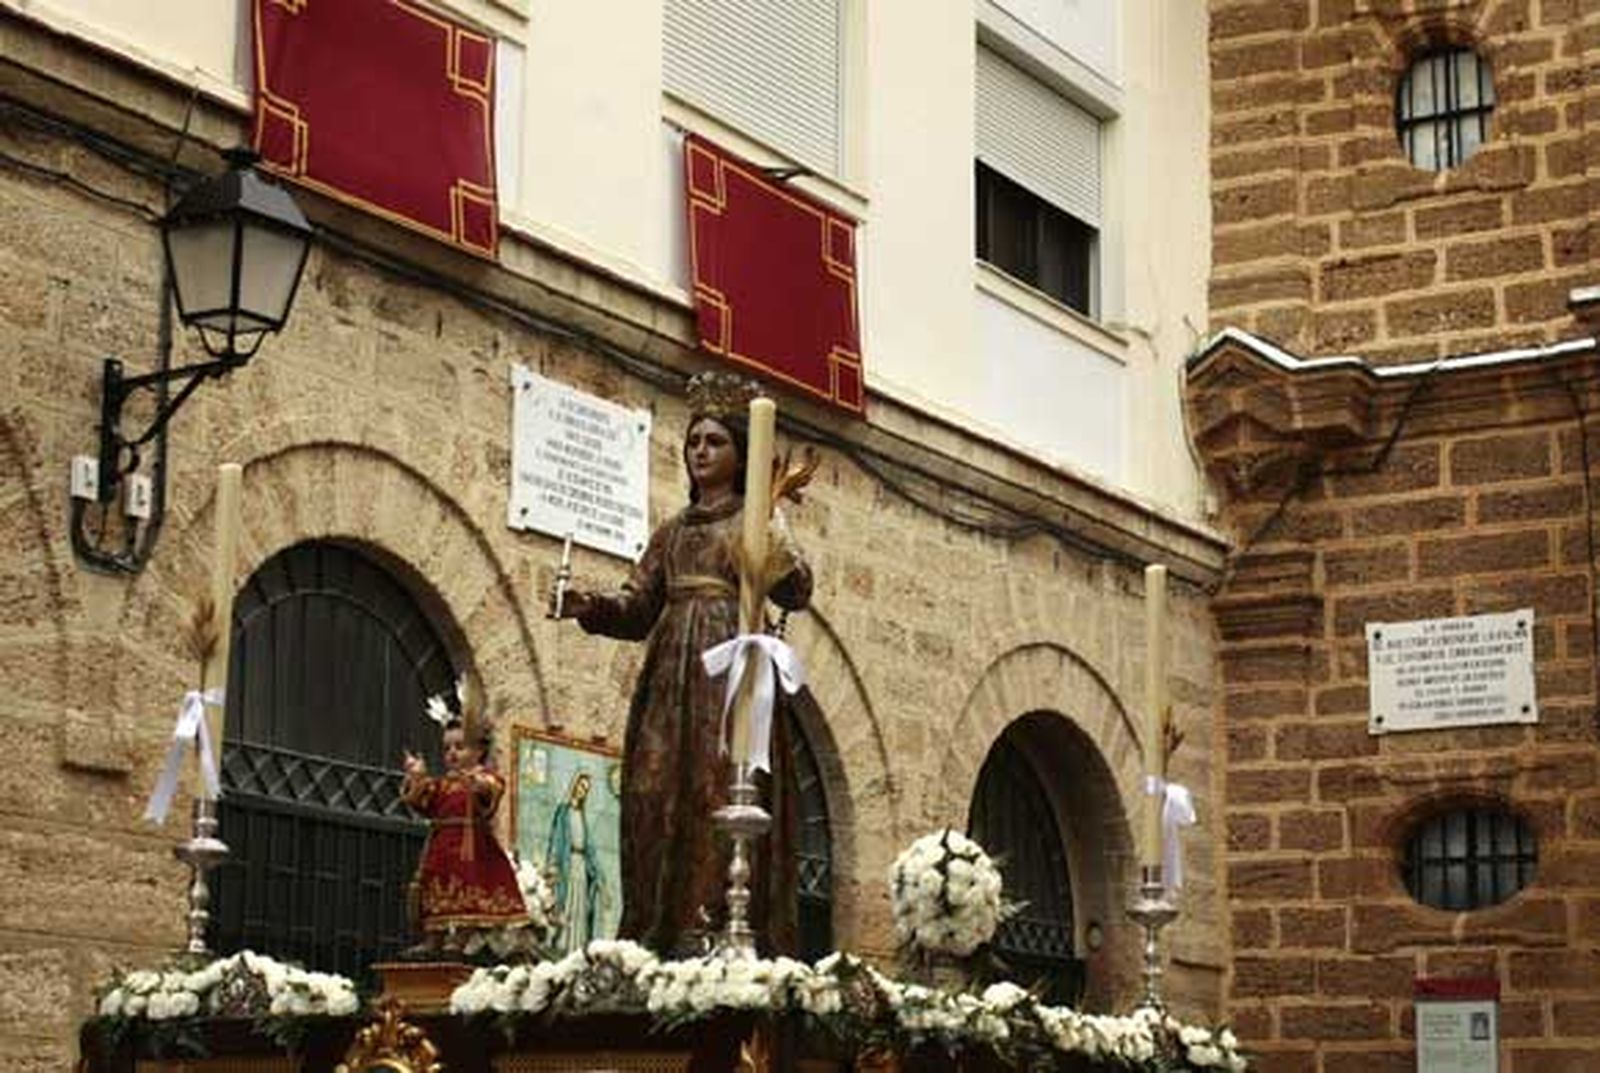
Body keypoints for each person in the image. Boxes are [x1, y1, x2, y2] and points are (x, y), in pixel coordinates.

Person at [554, 371, 810, 956]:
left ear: (741, 453)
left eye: (715, 441)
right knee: (654, 789)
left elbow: (797, 591)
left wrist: (774, 537)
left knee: (721, 789)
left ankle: (720, 925)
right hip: (671, 676)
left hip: (733, 674)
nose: (700, 451)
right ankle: (657, 924)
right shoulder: (672, 532)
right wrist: (588, 605)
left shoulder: (755, 517)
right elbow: (638, 604)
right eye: (694, 441)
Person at [401, 713, 535, 958]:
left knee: (468, 892)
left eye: (460, 747)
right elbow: (421, 801)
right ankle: (433, 940)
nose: (452, 753)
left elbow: (490, 790)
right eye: (447, 748)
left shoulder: (485, 778)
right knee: (434, 893)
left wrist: (479, 783)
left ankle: (459, 939)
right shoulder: (442, 785)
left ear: (479, 750)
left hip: (470, 849)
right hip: (440, 849)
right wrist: (417, 776)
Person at [546, 770, 606, 952]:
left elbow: (590, 849)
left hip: (581, 866)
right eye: (581, 786)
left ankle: (577, 947)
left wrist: (599, 876)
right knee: (566, 902)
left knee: (580, 905)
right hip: (567, 864)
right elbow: (556, 839)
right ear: (574, 785)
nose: (582, 791)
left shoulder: (582, 816)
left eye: (586, 789)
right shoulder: (563, 812)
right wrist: (553, 864)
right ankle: (562, 945)